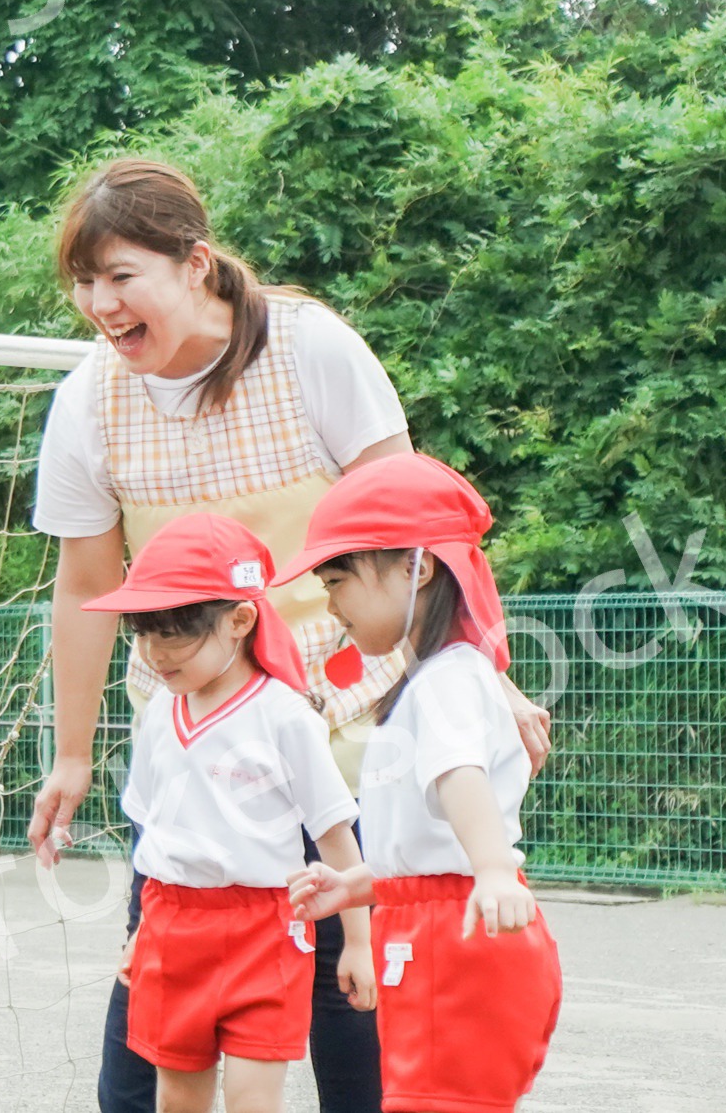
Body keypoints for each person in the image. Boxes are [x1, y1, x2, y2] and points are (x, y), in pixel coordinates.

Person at [22, 157, 547, 1113]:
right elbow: (87, 585)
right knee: (145, 1056)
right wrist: (71, 754)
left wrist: (487, 671)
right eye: (84, 282)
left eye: (121, 275)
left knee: (357, 1026)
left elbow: (420, 529)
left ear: (195, 263)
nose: (99, 304)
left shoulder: (311, 351)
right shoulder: (89, 401)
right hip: (204, 755)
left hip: (343, 735)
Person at [285, 456, 562, 1113]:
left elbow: (458, 774)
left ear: (418, 566)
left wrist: (493, 869)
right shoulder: (429, 680)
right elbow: (427, 842)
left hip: (452, 942)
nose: (331, 606)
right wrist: (360, 884)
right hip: (430, 929)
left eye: (338, 581)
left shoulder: (446, 680)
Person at [69, 513, 367, 1113]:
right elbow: (154, 838)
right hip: (171, 928)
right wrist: (142, 934)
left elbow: (335, 833)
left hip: (265, 929)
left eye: (173, 634)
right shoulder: (160, 712)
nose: (155, 653)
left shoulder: (285, 716)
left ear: (240, 620)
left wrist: (358, 942)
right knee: (177, 1098)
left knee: (253, 1098)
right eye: (144, 633)